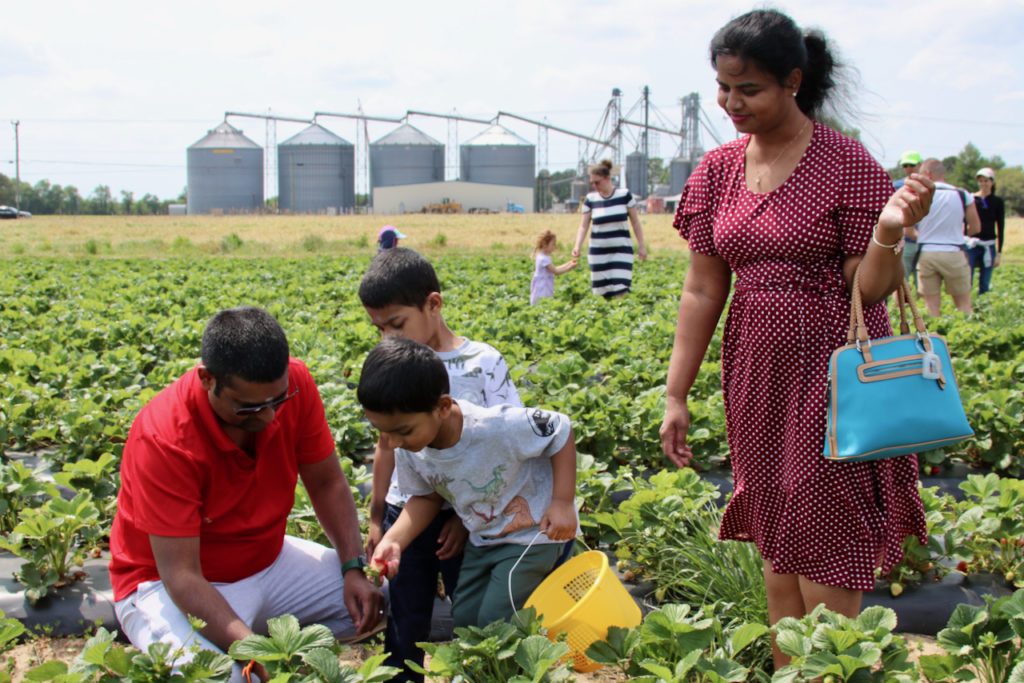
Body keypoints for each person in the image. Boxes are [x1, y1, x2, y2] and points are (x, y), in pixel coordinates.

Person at [657, 10, 931, 671]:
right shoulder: (718, 170)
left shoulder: (846, 163)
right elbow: (702, 289)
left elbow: (868, 289)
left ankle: (831, 667)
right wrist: (676, 392)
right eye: (724, 87)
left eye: (748, 89)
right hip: (756, 370)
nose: (732, 103)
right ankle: (791, 672)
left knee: (828, 533)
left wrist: (889, 231)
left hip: (834, 372)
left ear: (793, 82)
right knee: (777, 537)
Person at [108, 307, 384, 683]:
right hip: (168, 584)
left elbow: (326, 483)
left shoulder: (295, 383)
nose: (269, 416)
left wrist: (352, 567)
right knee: (229, 678)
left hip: (267, 561)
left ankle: (255, 635)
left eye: (277, 400)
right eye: (250, 407)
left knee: (377, 601)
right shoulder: (164, 437)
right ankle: (237, 643)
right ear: (207, 380)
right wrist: (253, 650)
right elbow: (182, 575)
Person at [358, 247, 522, 682]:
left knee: (472, 616)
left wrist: (468, 519)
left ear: (433, 304)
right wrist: (376, 518)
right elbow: (386, 444)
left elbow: (507, 449)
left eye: (396, 324)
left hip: (467, 515)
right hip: (407, 511)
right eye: (379, 328)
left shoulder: (482, 365)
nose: (387, 338)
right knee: (404, 615)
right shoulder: (392, 363)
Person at [358, 337, 578, 629]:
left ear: (443, 407)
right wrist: (394, 540)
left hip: (533, 533)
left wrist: (562, 502)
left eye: (403, 431)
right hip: (483, 537)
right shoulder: (408, 447)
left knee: (495, 621)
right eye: (381, 431)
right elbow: (426, 497)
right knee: (465, 619)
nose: (393, 442)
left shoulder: (495, 426)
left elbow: (560, 429)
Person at [911, 158, 980, 315]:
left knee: (931, 308)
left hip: (927, 253)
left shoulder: (919, 195)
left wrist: (923, 238)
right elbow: (975, 227)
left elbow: (908, 230)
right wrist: (960, 235)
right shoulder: (962, 194)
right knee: (964, 305)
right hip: (954, 251)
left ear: (928, 174)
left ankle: (935, 329)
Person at [571, 159, 648, 298]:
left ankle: (622, 312)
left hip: (621, 250)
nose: (594, 186)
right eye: (592, 183)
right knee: (602, 294)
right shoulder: (590, 199)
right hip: (598, 252)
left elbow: (636, 222)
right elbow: (583, 225)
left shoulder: (624, 195)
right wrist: (577, 246)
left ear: (607, 178)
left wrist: (642, 246)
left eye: (597, 182)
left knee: (622, 289)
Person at [968, 167, 1005, 295]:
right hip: (972, 244)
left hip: (989, 244)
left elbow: (1001, 227)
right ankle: (966, 305)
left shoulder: (997, 202)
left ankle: (983, 304)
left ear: (992, 182)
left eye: (986, 181)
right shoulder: (972, 199)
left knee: (985, 282)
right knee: (967, 280)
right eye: (981, 181)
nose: (983, 184)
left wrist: (999, 253)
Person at [894, 151, 922, 287]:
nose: (909, 168)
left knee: (923, 282)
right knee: (900, 281)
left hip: (925, 240)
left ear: (919, 165)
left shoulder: (928, 186)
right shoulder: (896, 186)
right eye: (905, 166)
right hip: (904, 241)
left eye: (912, 165)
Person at [530, 229, 578, 305]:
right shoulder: (543, 259)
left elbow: (555, 268)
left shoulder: (541, 257)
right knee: (544, 305)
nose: (554, 247)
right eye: (553, 244)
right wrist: (570, 267)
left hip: (543, 288)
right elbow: (556, 271)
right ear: (545, 244)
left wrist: (568, 264)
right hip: (543, 290)